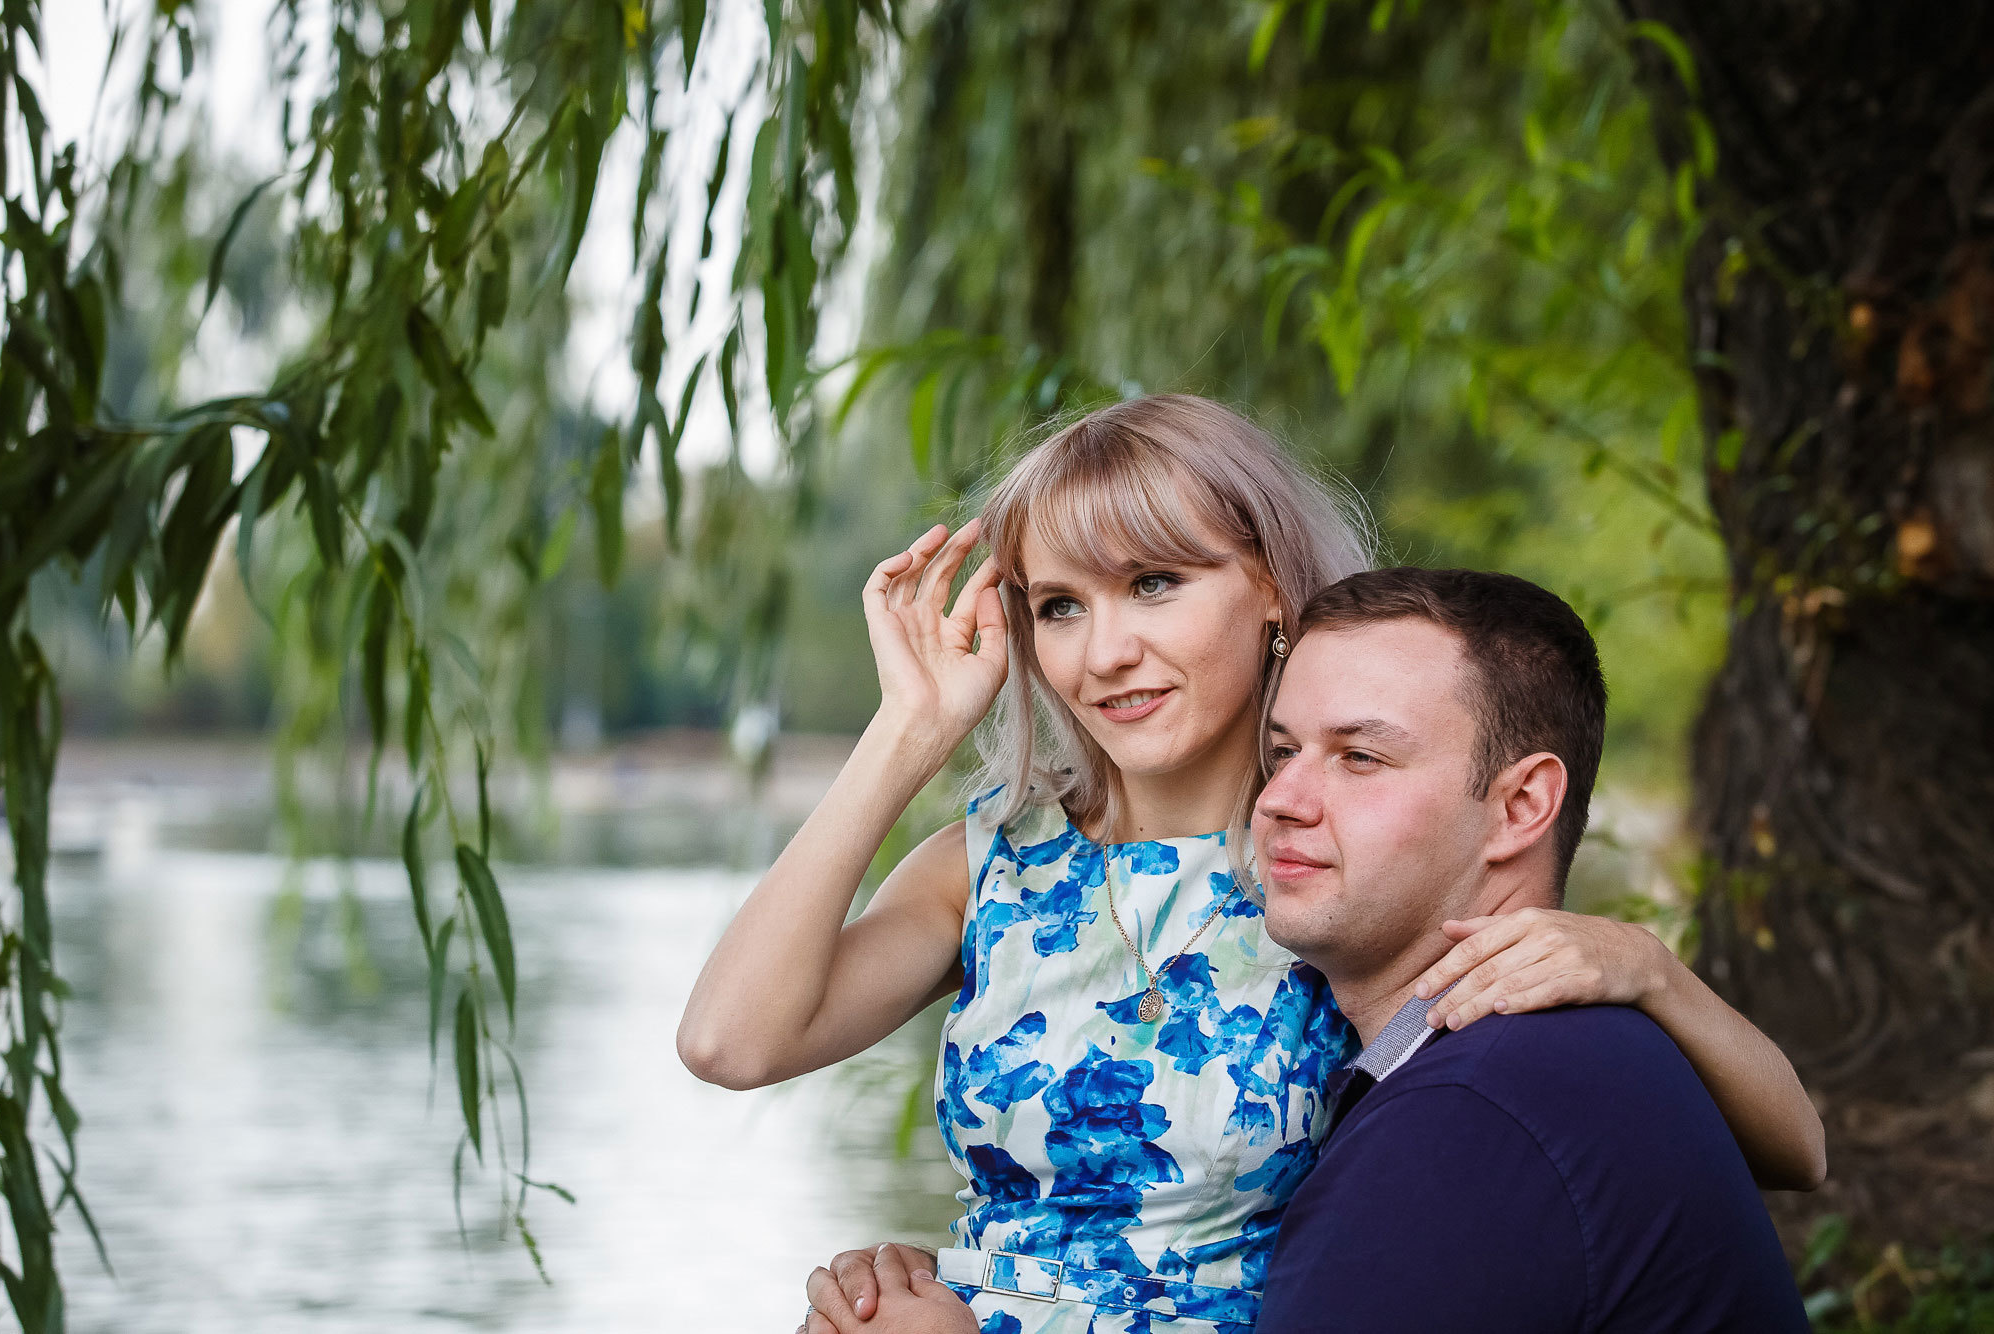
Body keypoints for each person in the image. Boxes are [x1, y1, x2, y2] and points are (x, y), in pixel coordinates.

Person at [675, 397, 1823, 1334]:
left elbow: (1788, 1148)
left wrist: (1647, 970)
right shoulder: (990, 863)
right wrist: (908, 730)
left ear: (1271, 582)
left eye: (1152, 583)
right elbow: (731, 1042)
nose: (1104, 650)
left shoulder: (1335, 869)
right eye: (1059, 606)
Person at [832, 567, 1811, 1334]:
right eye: (1282, 752)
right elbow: (1799, 1153)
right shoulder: (1558, 1048)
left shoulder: (1463, 1124)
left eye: (1360, 757)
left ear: (1520, 806)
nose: (1281, 801)